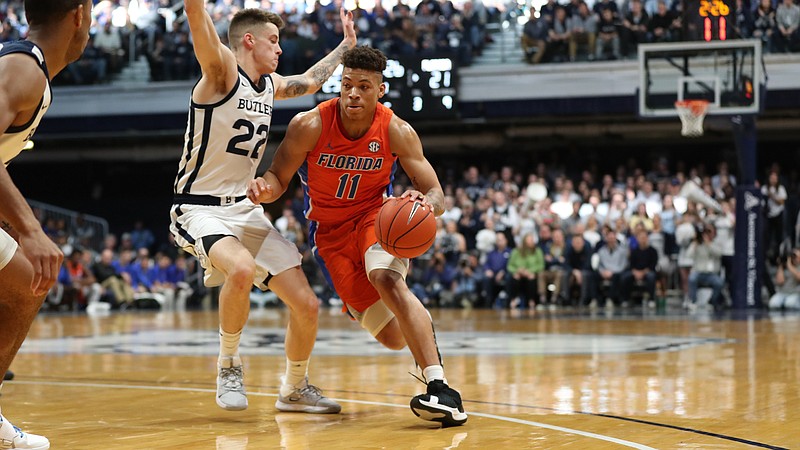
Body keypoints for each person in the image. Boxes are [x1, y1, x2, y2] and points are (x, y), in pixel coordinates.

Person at [247, 46, 467, 427]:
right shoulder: (310, 124)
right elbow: (278, 177)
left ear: (379, 90)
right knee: (394, 338)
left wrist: (425, 201)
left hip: (375, 220)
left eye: (364, 86)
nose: (352, 94)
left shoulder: (396, 130)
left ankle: (441, 388)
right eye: (347, 84)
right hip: (329, 237)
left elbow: (437, 194)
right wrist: (265, 189)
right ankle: (411, 320)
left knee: (386, 278)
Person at [170, 2, 355, 414]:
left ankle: (293, 388)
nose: (279, 49)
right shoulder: (221, 74)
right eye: (274, 41)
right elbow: (197, 19)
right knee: (238, 269)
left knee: (306, 305)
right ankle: (229, 365)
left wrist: (346, 45)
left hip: (244, 211)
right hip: (199, 208)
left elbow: (308, 81)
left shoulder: (270, 86)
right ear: (248, 41)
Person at [0, 1, 92, 448]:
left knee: (27, 282)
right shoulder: (23, 69)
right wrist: (31, 229)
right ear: (78, 15)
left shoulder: (26, 67)